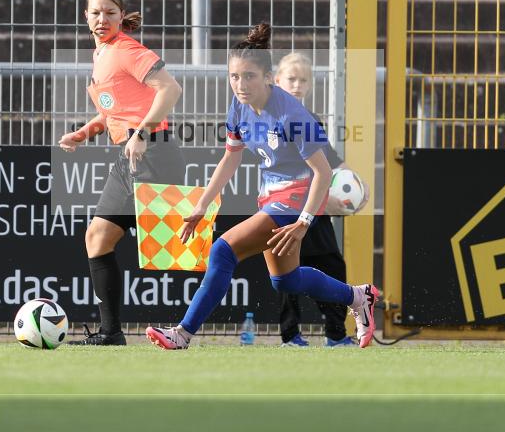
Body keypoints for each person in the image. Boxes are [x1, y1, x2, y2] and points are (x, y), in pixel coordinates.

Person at [145, 23, 379, 350]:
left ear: (268, 77)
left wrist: (304, 222)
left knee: (223, 252)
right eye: (234, 77)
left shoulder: (293, 116)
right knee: (286, 279)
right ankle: (359, 296)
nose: (240, 84)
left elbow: (323, 174)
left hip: (295, 201)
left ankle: (182, 334)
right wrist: (202, 204)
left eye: (250, 76)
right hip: (271, 199)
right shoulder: (239, 106)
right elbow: (230, 158)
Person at [58, 0, 185, 346]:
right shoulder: (102, 54)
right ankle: (111, 333)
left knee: (185, 249)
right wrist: (83, 133)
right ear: (85, 17)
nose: (102, 19)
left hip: (154, 155)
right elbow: (112, 110)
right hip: (130, 155)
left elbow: (170, 89)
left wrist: (142, 132)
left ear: (120, 16)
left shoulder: (126, 49)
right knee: (97, 238)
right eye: (96, 13)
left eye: (110, 13)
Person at [273, 52, 368, 347]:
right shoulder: (274, 120)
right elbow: (291, 174)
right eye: (292, 79)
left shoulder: (310, 119)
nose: (297, 85)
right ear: (277, 81)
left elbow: (330, 159)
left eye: (304, 80)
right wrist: (327, 201)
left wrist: (355, 185)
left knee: (332, 267)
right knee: (289, 273)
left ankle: (336, 334)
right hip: (288, 209)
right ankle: (291, 335)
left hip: (316, 212)